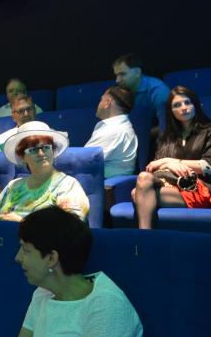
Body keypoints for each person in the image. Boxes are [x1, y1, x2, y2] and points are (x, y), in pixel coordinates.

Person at [15, 206, 143, 337]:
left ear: (51, 258)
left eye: (26, 250)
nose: (17, 258)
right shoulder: (43, 292)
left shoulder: (107, 306)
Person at [132, 86, 211, 229]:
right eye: (177, 105)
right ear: (171, 111)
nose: (183, 108)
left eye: (187, 102)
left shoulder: (208, 130)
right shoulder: (167, 136)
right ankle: (145, 234)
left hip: (200, 188)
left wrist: (171, 161)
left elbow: (208, 167)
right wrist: (169, 165)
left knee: (138, 194)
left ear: (196, 105)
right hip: (171, 185)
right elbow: (153, 168)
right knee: (143, 178)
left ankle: (144, 236)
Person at [0, 121, 90, 222]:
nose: (41, 153)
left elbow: (72, 226)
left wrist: (23, 222)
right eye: (33, 150)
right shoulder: (13, 186)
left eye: (46, 147)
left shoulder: (68, 185)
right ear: (22, 156)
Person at [85, 86, 138, 178]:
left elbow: (83, 160)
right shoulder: (119, 127)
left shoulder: (114, 130)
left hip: (102, 183)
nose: (99, 103)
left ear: (107, 102)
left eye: (101, 99)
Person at [112, 53, 170, 123]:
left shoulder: (159, 91)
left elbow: (166, 125)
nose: (117, 80)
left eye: (122, 74)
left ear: (137, 72)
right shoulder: (122, 90)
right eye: (116, 75)